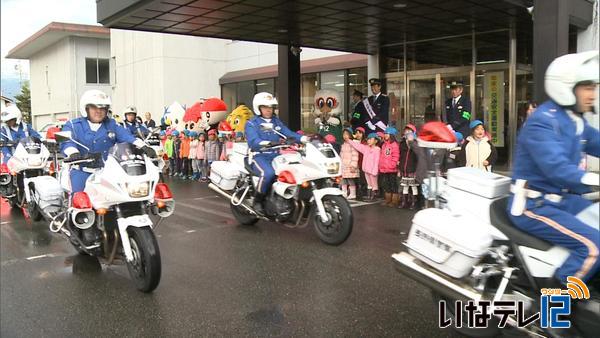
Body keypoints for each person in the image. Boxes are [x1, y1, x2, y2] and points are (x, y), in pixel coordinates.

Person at [508, 51, 600, 286]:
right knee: (593, 246)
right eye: (587, 87)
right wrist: (594, 179)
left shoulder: (574, 119)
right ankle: (553, 311)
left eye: (594, 87)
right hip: (534, 205)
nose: (593, 94)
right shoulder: (543, 121)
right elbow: (557, 168)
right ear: (566, 87)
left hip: (561, 200)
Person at [60, 90, 155, 193]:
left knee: (127, 195)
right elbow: (66, 142)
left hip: (109, 172)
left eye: (102, 108)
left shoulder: (112, 124)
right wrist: (73, 152)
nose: (98, 111)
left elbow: (127, 136)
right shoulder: (73, 125)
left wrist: (144, 146)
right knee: (80, 200)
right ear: (86, 108)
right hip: (83, 172)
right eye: (94, 107)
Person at [245, 92, 307, 214]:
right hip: (258, 156)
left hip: (275, 154)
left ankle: (287, 199)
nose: (269, 110)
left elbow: (288, 132)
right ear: (258, 108)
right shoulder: (252, 123)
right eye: (265, 107)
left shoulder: (276, 122)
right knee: (268, 173)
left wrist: (304, 138)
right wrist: (266, 143)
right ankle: (257, 200)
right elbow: (253, 141)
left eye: (271, 107)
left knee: (292, 170)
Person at [348, 132, 381, 201]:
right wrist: (349, 140)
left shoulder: (377, 149)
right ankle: (369, 195)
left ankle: (373, 195)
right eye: (368, 139)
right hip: (366, 169)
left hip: (373, 170)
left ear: (376, 141)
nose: (368, 141)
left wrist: (375, 170)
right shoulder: (366, 148)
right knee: (369, 183)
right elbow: (357, 146)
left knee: (374, 183)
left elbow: (377, 161)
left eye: (370, 139)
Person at [398, 124, 420, 210]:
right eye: (406, 131)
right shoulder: (402, 143)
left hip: (412, 168)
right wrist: (399, 167)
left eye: (409, 131)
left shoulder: (416, 143)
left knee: (413, 186)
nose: (407, 133)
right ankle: (404, 201)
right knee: (405, 186)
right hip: (404, 168)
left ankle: (414, 202)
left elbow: (418, 157)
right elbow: (401, 156)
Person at [379, 126, 400, 207]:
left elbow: (395, 156)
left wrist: (392, 165)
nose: (385, 135)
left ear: (392, 135)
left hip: (392, 169)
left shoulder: (394, 145)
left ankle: (394, 201)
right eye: (385, 133)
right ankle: (388, 200)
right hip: (385, 168)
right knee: (386, 185)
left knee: (393, 185)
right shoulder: (384, 145)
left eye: (387, 133)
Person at [340, 128, 360, 200]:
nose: (345, 136)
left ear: (350, 135)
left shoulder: (353, 144)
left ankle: (352, 193)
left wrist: (353, 165)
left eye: (347, 134)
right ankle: (344, 192)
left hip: (350, 165)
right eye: (344, 134)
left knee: (350, 180)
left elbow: (355, 155)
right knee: (343, 180)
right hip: (344, 165)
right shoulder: (343, 144)